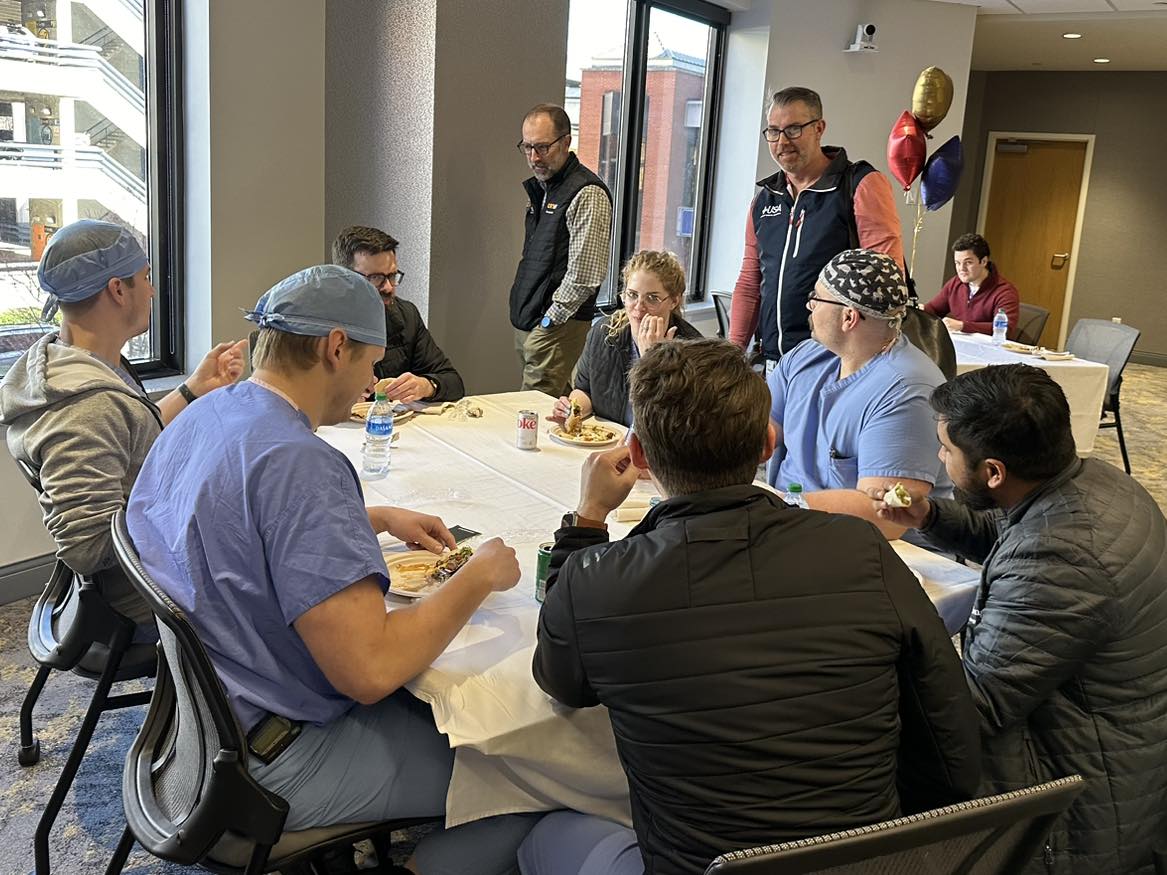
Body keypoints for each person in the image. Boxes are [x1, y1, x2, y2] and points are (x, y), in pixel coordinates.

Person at [126, 265, 537, 874]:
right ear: (335, 346)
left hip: (204, 730)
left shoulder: (205, 415)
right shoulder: (303, 464)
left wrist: (366, 518)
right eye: (371, 363)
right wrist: (477, 577)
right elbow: (369, 671)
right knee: (532, 768)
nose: (372, 381)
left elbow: (231, 523)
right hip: (277, 758)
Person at [519, 338, 981, 875]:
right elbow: (948, 733)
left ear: (639, 456)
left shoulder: (597, 581)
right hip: (867, 862)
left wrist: (589, 518)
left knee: (541, 831)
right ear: (768, 444)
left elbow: (561, 682)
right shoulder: (861, 550)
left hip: (701, 863)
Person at [870, 364, 1167, 874]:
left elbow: (972, 709)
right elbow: (1009, 529)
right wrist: (930, 516)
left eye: (946, 450)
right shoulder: (1089, 482)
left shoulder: (1061, 558)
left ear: (993, 472)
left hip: (1080, 796)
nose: (939, 457)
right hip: (1114, 728)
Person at [0, 219, 246, 633]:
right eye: (145, 278)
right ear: (117, 289)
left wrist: (193, 388)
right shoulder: (86, 406)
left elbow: (132, 434)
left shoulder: (76, 365)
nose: (151, 290)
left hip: (147, 572)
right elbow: (88, 545)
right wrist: (192, 507)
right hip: (147, 596)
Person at [766, 249, 951, 539]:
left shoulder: (907, 390)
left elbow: (887, 518)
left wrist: (775, 507)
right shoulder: (807, 356)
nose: (809, 305)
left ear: (849, 317)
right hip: (789, 526)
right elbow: (761, 433)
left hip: (879, 551)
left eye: (817, 297)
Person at [729, 86, 902, 367]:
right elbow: (750, 283)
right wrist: (732, 355)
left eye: (794, 129)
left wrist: (865, 365)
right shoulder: (765, 199)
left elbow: (886, 283)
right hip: (774, 360)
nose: (782, 141)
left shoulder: (859, 184)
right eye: (773, 131)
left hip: (833, 361)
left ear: (819, 128)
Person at [510, 103, 612, 396]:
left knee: (532, 409)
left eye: (542, 147)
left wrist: (550, 321)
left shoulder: (586, 192)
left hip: (554, 323)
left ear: (566, 141)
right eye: (527, 147)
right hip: (529, 319)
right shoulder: (543, 190)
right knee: (556, 404)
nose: (534, 157)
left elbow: (585, 273)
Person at [547, 250, 701, 428]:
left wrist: (652, 359)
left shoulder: (694, 350)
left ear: (674, 301)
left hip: (654, 452)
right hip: (610, 439)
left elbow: (678, 425)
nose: (639, 307)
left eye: (652, 298)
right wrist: (572, 410)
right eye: (632, 295)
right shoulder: (603, 333)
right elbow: (585, 390)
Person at [331, 225, 464, 402]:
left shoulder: (406, 315)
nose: (388, 287)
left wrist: (426, 386)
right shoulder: (314, 324)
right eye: (375, 278)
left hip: (391, 425)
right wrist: (334, 397)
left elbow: (453, 382)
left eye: (392, 276)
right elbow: (289, 399)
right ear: (345, 278)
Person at [924, 233, 1020, 336]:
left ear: (983, 261)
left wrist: (963, 326)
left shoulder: (1005, 291)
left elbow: (1005, 329)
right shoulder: (955, 283)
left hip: (988, 348)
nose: (961, 268)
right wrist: (918, 310)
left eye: (968, 263)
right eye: (957, 263)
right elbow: (934, 309)